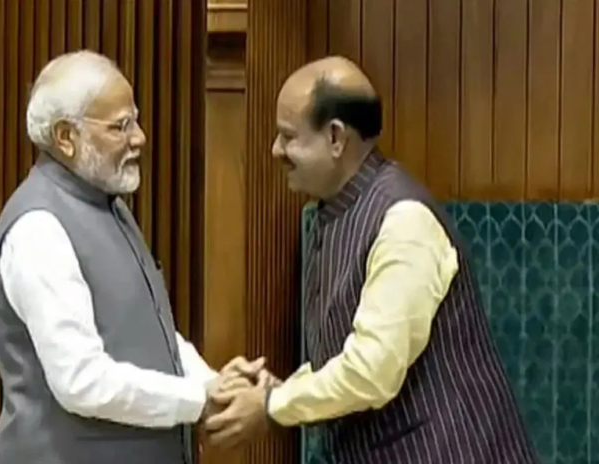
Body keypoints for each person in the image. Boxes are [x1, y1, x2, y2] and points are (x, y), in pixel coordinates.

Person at [204, 56, 538, 463]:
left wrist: (274, 405)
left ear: (335, 137)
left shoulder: (403, 220)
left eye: (288, 137)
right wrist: (277, 392)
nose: (275, 150)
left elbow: (371, 370)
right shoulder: (337, 210)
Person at [0, 50, 261, 464]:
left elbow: (150, 333)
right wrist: (197, 398)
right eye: (121, 126)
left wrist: (213, 383)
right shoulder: (39, 229)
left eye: (135, 120)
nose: (140, 138)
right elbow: (80, 380)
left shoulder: (111, 206)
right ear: (66, 137)